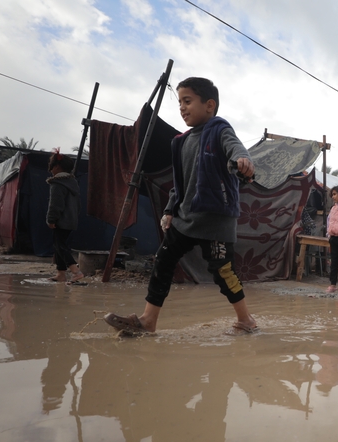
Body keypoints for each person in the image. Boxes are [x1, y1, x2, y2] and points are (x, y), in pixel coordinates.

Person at [104, 77, 257, 335]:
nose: (182, 108)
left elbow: (234, 146)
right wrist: (169, 210)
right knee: (163, 260)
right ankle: (148, 321)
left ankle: (246, 320)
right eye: (180, 103)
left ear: (209, 105)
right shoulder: (181, 142)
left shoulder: (219, 129)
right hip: (186, 218)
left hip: (215, 220)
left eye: (188, 101)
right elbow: (180, 184)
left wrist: (243, 158)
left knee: (222, 272)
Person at [46, 152, 85, 284]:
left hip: (61, 220)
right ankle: (61, 274)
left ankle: (76, 271)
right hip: (71, 220)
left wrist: (51, 219)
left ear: (57, 167)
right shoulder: (72, 183)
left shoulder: (58, 184)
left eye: (51, 167)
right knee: (59, 245)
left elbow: (55, 204)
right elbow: (78, 205)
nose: (51, 170)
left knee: (60, 246)